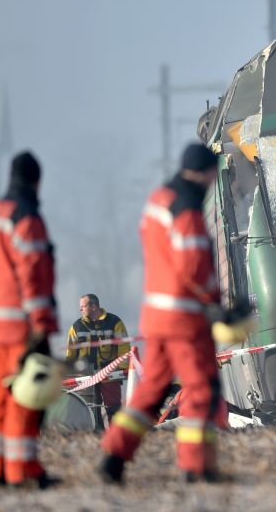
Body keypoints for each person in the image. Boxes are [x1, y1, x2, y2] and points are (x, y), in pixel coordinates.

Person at [100, 143, 249, 484]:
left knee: (151, 390)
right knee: (202, 391)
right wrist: (218, 308)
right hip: (185, 319)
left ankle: (114, 454)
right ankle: (196, 467)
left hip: (156, 315)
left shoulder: (158, 200)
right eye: (213, 176)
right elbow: (194, 266)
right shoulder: (187, 209)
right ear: (205, 172)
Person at [0, 151, 59, 488]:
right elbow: (33, 277)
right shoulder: (27, 218)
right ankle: (20, 470)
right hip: (20, 327)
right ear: (37, 181)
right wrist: (41, 325)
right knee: (24, 401)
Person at [66, 293, 129, 427]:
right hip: (86, 375)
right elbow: (71, 353)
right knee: (90, 408)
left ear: (94, 306)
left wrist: (122, 368)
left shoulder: (114, 323)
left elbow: (123, 346)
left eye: (83, 306)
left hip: (110, 373)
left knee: (114, 407)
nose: (80, 310)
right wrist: (68, 372)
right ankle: (97, 433)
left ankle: (115, 433)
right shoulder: (76, 327)